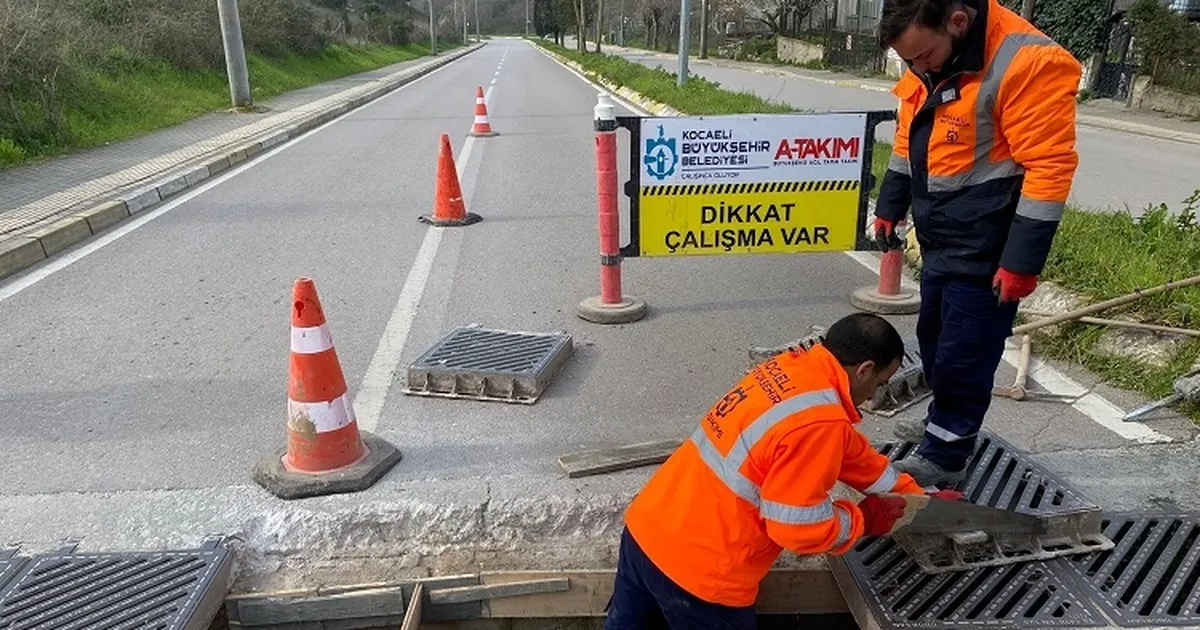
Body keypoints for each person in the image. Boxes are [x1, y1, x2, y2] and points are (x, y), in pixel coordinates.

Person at [603, 313, 953, 629]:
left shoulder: (791, 371)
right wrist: (866, 519)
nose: (875, 394)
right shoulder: (821, 422)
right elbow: (797, 530)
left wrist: (919, 498)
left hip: (647, 532)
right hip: (703, 575)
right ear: (864, 369)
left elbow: (852, 455)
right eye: (880, 383)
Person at [871, 0, 1082, 487]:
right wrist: (891, 203)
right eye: (909, 62)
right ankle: (940, 429)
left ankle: (946, 455)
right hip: (944, 236)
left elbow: (1049, 168)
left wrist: (1021, 263)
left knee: (964, 354)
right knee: (935, 341)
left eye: (923, 56)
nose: (917, 68)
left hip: (990, 248)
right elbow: (909, 140)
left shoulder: (1027, 63)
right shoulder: (931, 59)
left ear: (958, 22)